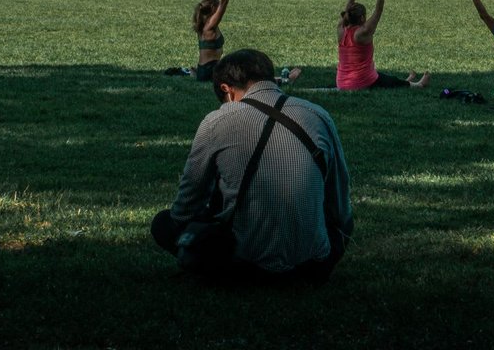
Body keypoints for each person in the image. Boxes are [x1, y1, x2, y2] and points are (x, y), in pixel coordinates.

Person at [151, 49, 353, 282]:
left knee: (163, 224)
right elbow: (339, 201)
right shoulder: (317, 115)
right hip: (312, 267)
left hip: (243, 266)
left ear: (227, 90)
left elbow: (186, 206)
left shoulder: (217, 121)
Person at [336, 0, 429, 90]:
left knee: (380, 76)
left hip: (341, 82)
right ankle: (418, 85)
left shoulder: (341, 30)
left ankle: (406, 81)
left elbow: (347, 7)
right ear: (362, 18)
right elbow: (378, 10)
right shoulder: (363, 32)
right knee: (386, 80)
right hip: (360, 82)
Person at [193, 0, 235, 82]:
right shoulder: (210, 25)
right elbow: (224, 1)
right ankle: (280, 80)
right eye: (217, 7)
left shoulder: (202, 20)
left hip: (203, 71)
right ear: (212, 8)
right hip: (210, 70)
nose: (219, 10)